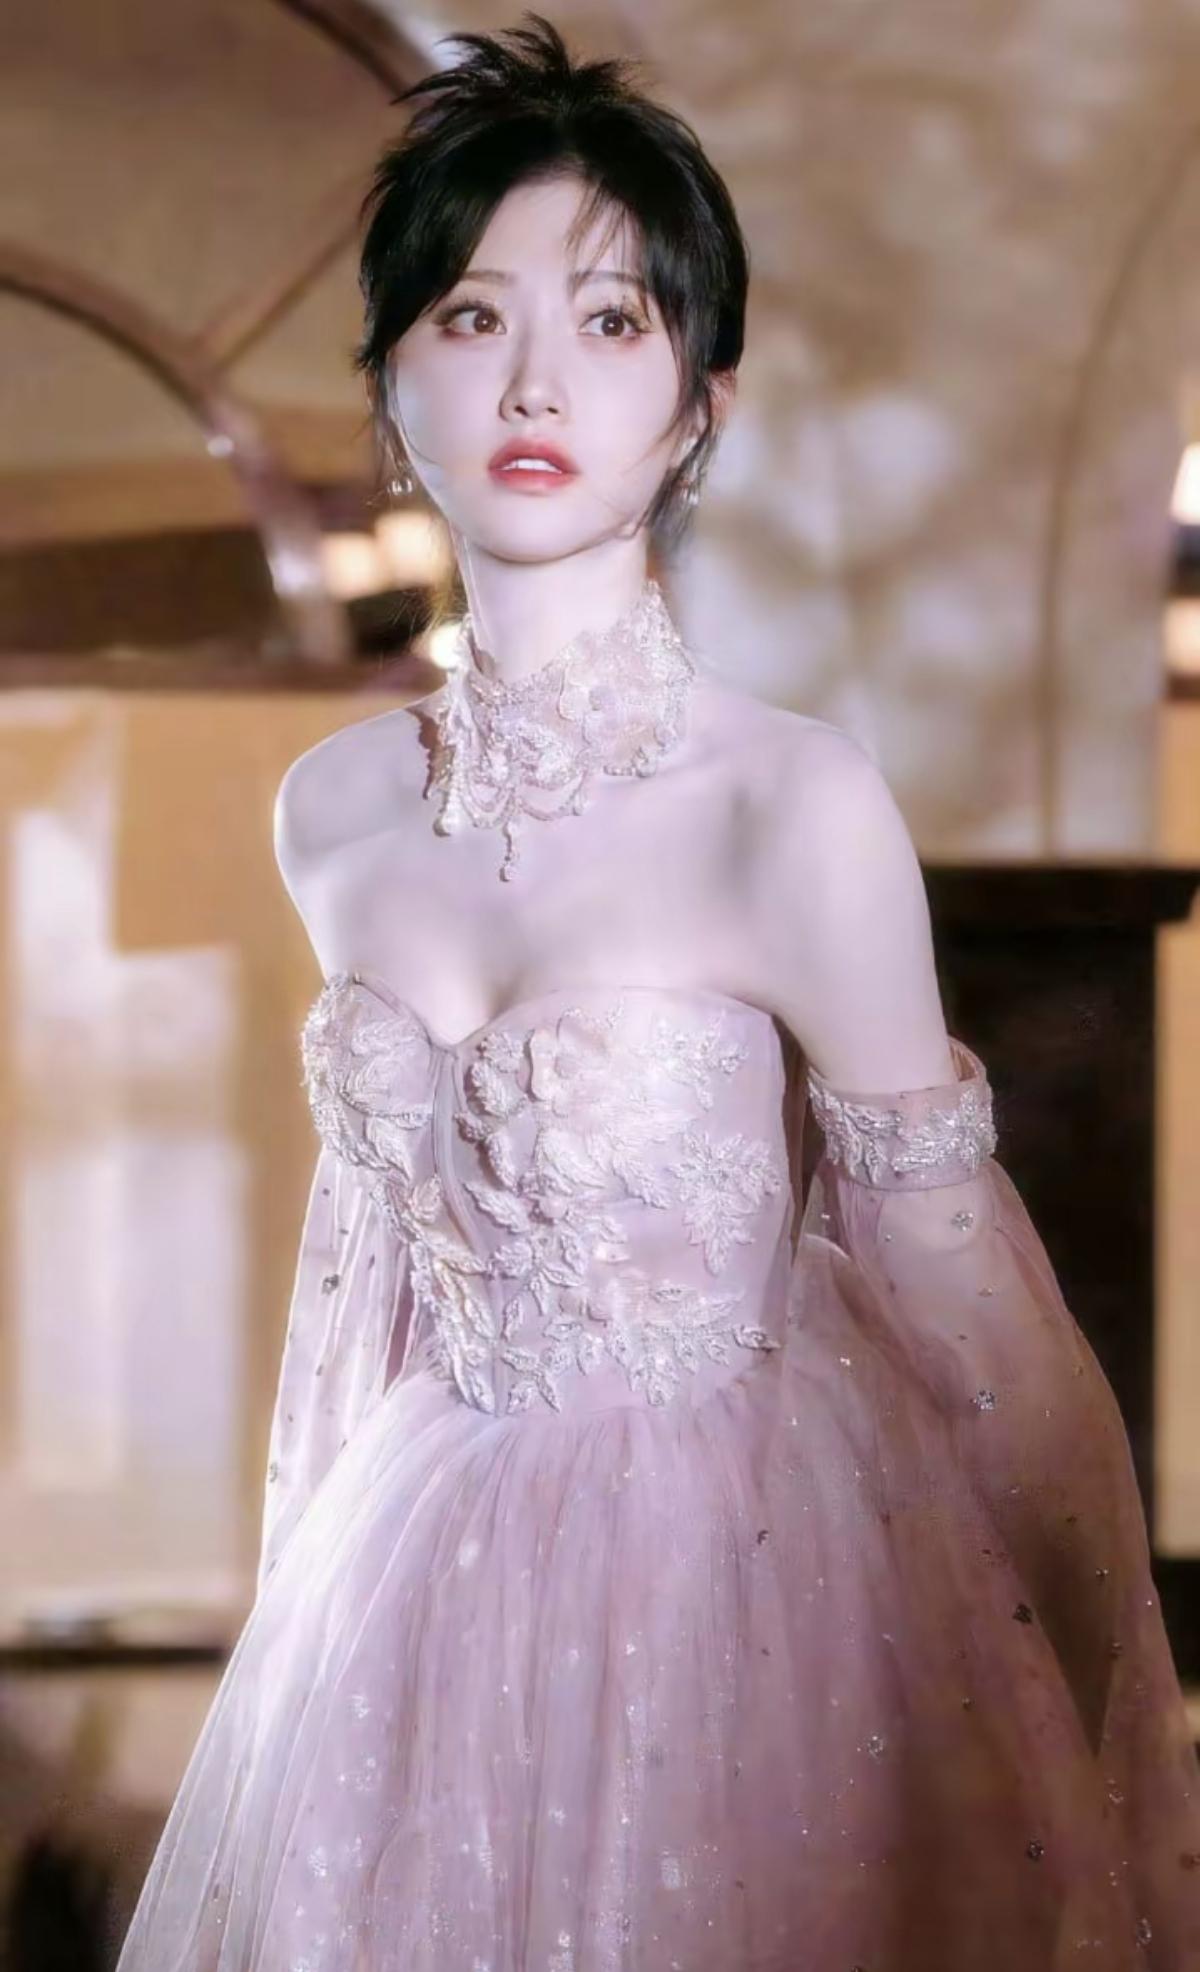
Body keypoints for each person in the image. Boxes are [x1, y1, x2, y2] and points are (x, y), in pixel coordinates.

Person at [116, 15, 1200, 1969]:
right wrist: (297, 1634)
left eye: (613, 321)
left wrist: (1104, 1681)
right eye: (471, 316)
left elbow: (963, 1289)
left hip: (750, 1600)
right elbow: (359, 1278)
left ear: (698, 407)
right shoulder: (334, 811)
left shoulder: (792, 802)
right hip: (416, 1596)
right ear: (392, 395)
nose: (536, 378)